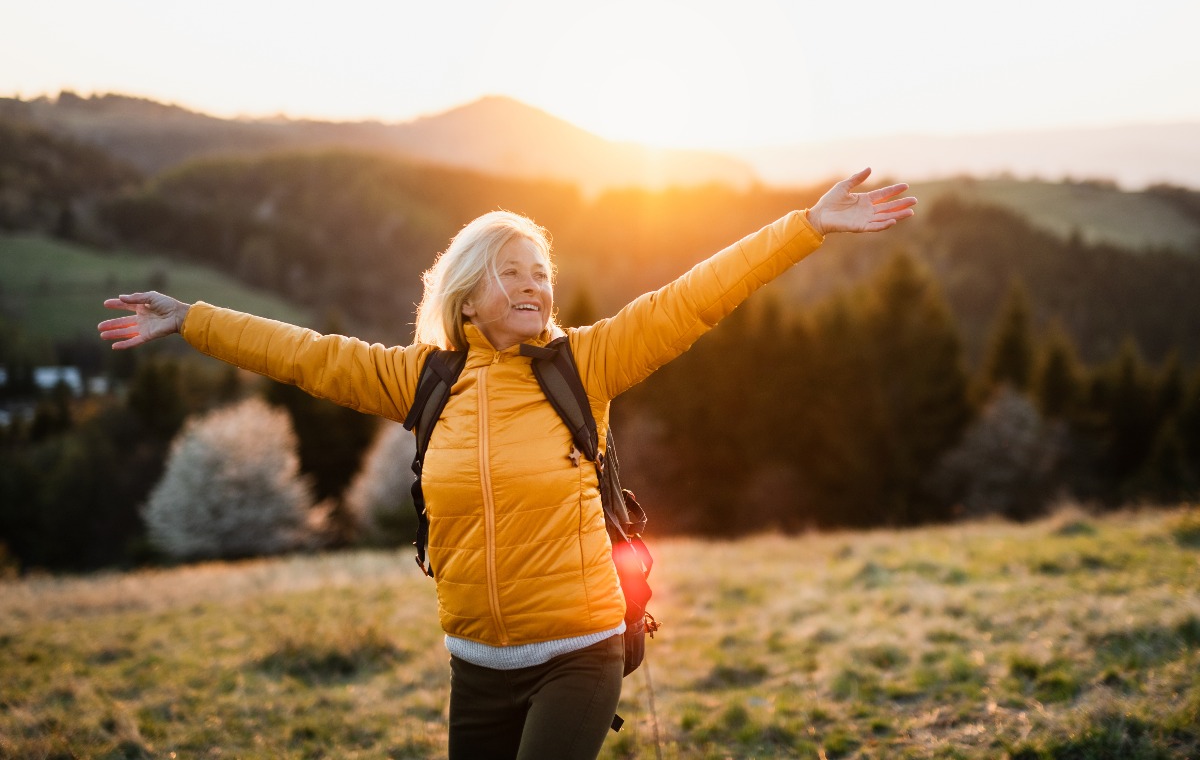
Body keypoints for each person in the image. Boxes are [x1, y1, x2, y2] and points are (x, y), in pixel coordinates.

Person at [99, 167, 915, 759]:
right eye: (512, 271)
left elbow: (695, 296)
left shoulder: (584, 366)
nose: (535, 286)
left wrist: (805, 226)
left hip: (581, 650)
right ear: (465, 293)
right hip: (475, 663)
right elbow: (305, 356)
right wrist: (191, 320)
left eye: (542, 274)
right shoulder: (422, 381)